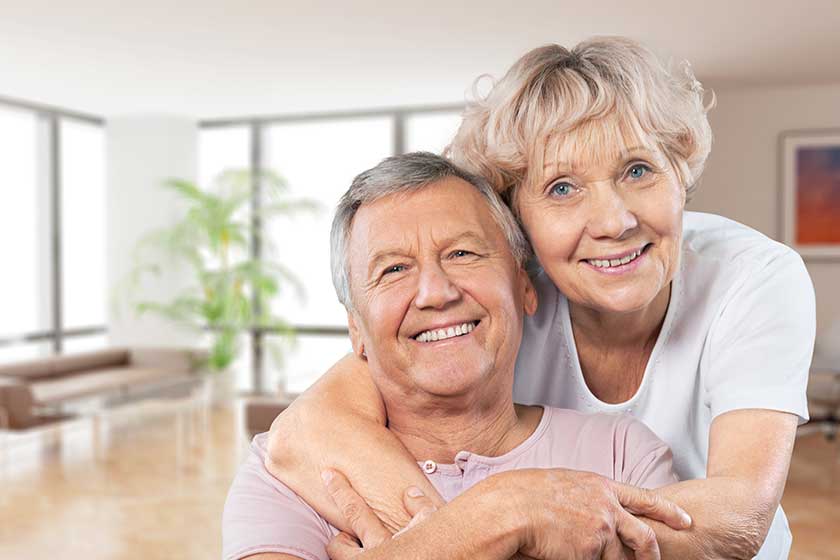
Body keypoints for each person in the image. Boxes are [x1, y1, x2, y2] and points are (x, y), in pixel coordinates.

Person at [265, 38, 816, 559]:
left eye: (638, 169)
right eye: (562, 188)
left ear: (681, 173)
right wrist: (480, 527)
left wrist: (480, 534)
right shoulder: (494, 290)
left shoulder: (754, 278)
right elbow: (303, 434)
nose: (614, 222)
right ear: (517, 220)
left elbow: (739, 515)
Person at [222, 153, 693, 560]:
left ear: (525, 287)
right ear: (355, 328)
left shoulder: (624, 454)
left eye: (464, 253)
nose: (435, 293)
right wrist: (500, 514)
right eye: (394, 269)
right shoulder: (288, 470)